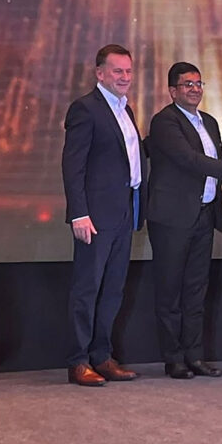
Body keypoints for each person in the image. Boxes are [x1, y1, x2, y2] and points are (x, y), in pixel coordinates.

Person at [146, 62, 222, 379]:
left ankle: (195, 356)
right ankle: (173, 359)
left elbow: (219, 162)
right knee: (170, 292)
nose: (194, 89)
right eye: (187, 84)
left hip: (203, 216)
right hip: (172, 219)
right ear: (172, 91)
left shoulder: (209, 122)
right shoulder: (165, 122)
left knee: (196, 291)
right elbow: (190, 160)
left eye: (199, 83)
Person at [62, 44, 147, 386]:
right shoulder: (85, 109)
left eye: (128, 71)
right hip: (94, 218)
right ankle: (78, 361)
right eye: (117, 71)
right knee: (87, 289)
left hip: (124, 212)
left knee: (113, 290)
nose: (125, 77)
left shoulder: (125, 109)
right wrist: (78, 213)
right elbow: (73, 166)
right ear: (100, 73)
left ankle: (102, 356)